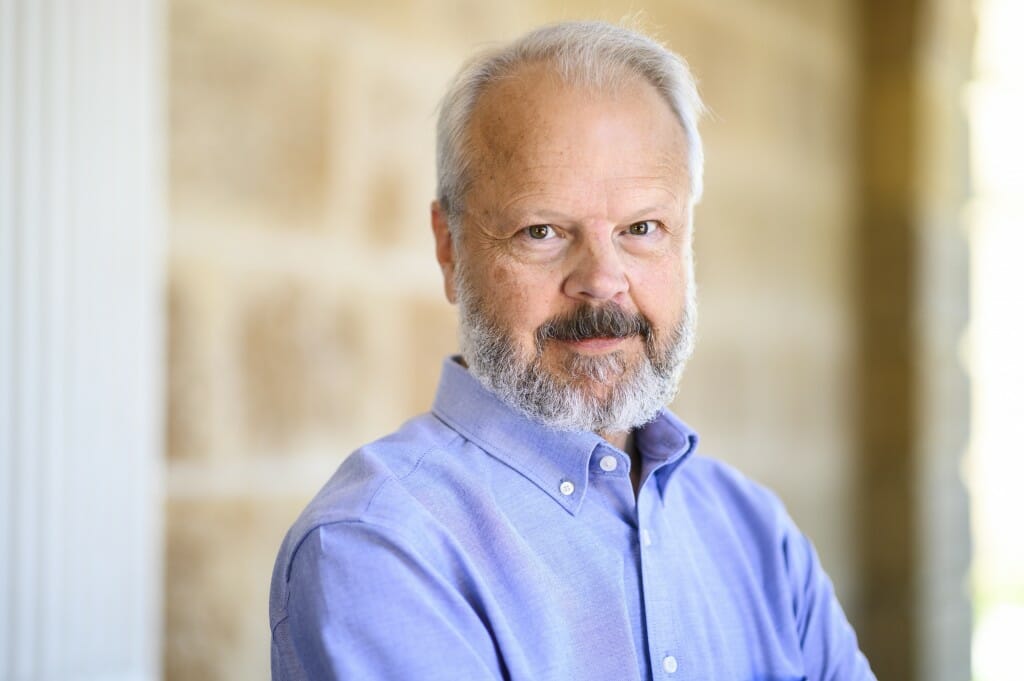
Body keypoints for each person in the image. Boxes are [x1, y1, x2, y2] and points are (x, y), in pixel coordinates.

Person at [269, 20, 876, 681]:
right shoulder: (379, 548)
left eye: (642, 228)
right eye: (543, 231)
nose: (602, 279)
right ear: (449, 248)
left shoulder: (757, 534)